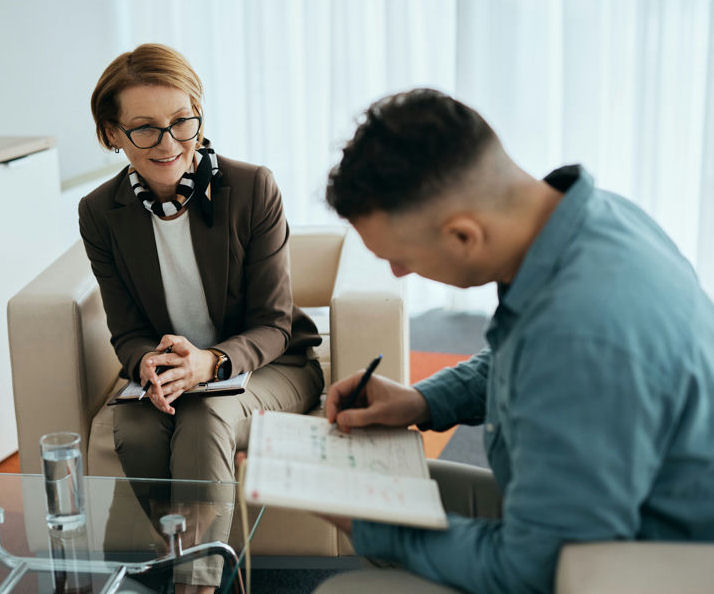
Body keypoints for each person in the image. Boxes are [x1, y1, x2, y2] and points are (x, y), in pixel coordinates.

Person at [317, 89, 714, 593]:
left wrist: (376, 532)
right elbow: (527, 356)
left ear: (463, 236)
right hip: (596, 516)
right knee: (395, 497)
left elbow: (533, 572)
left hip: (650, 567)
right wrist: (421, 400)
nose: (397, 271)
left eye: (401, 258)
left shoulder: (582, 333)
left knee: (344, 590)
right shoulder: (592, 221)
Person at [80, 43, 323, 592]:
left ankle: (198, 584)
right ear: (111, 134)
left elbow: (275, 323)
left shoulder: (250, 187)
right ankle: (190, 562)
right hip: (169, 374)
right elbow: (127, 330)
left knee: (206, 419)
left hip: (272, 364)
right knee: (138, 427)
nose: (169, 144)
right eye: (144, 128)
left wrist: (209, 363)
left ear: (198, 114)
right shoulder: (100, 212)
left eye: (181, 122)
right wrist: (149, 363)